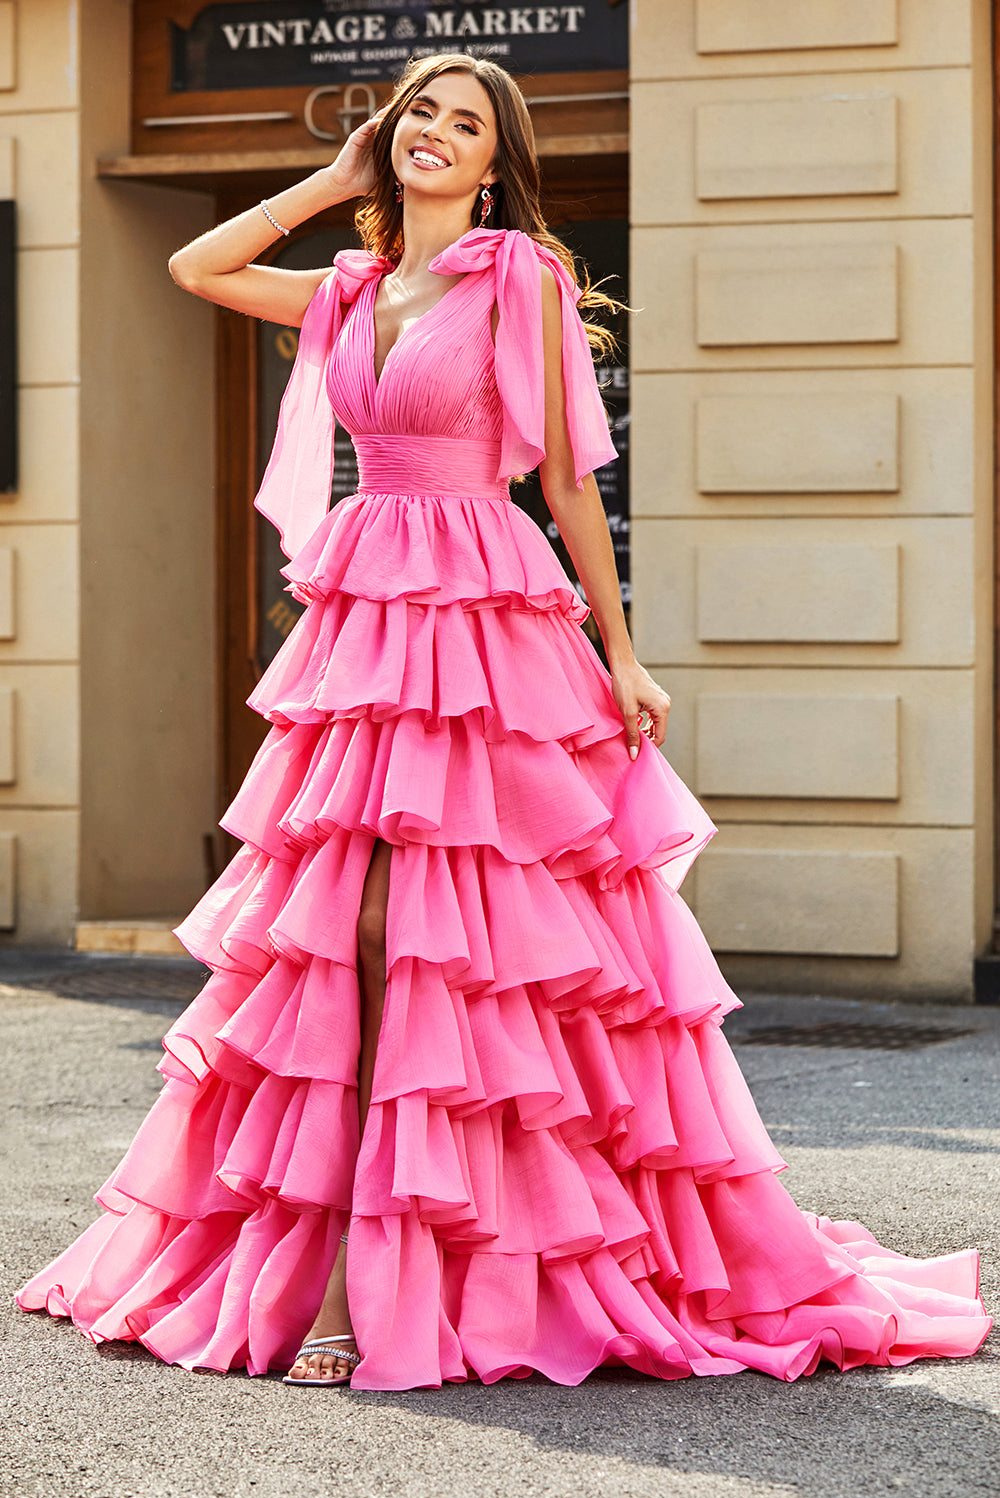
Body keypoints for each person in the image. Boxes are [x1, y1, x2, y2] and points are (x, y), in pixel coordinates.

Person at [17, 54, 990, 1391]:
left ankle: (415, 1277)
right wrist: (333, 180)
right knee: (342, 942)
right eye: (421, 110)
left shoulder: (519, 278)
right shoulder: (351, 288)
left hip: (483, 620)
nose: (435, 133)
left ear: (495, 165)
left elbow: (575, 488)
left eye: (465, 124)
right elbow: (197, 264)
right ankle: (355, 1270)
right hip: (366, 630)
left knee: (470, 948)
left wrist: (625, 653)